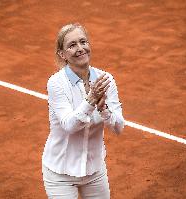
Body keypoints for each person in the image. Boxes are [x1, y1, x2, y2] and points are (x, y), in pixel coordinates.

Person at [42, 23, 125, 199]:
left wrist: (104, 109)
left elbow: (118, 127)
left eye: (83, 42)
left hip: (94, 170)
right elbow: (69, 126)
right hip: (60, 173)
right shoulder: (56, 83)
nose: (80, 48)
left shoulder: (106, 79)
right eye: (72, 45)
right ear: (62, 54)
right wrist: (91, 100)